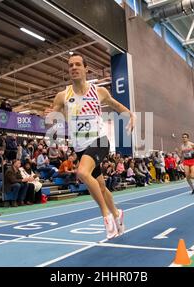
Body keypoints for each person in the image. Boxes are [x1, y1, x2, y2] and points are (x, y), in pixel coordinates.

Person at [48, 53, 136, 239]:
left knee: (81, 173)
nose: (74, 67)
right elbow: (52, 116)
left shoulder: (99, 92)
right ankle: (117, 213)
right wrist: (47, 117)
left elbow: (117, 106)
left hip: (100, 141)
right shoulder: (63, 96)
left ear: (85, 68)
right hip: (80, 148)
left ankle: (106, 216)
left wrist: (132, 115)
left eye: (78, 64)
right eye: (70, 65)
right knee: (101, 187)